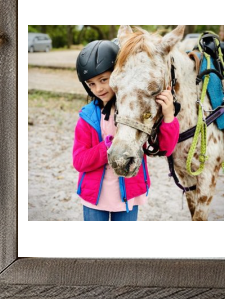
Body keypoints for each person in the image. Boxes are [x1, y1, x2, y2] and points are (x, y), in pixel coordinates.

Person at [73, 39, 179, 221]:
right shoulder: (87, 118)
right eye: (91, 84)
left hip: (128, 198)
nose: (98, 89)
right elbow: (79, 162)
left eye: (103, 80)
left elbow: (165, 148)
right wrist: (107, 147)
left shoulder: (136, 112)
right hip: (94, 199)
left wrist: (169, 116)